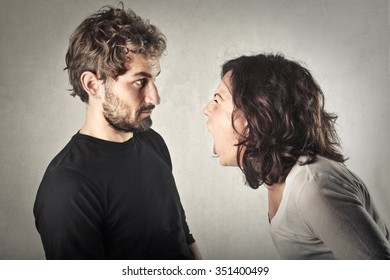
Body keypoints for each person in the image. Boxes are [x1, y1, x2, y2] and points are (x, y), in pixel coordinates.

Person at [33, 4, 201, 260]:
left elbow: (181, 235)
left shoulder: (153, 142)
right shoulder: (67, 186)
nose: (155, 97)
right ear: (92, 85)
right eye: (139, 81)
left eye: (153, 80)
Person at [203, 53, 390, 259]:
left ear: (254, 117)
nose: (206, 110)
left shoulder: (314, 187)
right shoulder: (284, 177)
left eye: (217, 100)